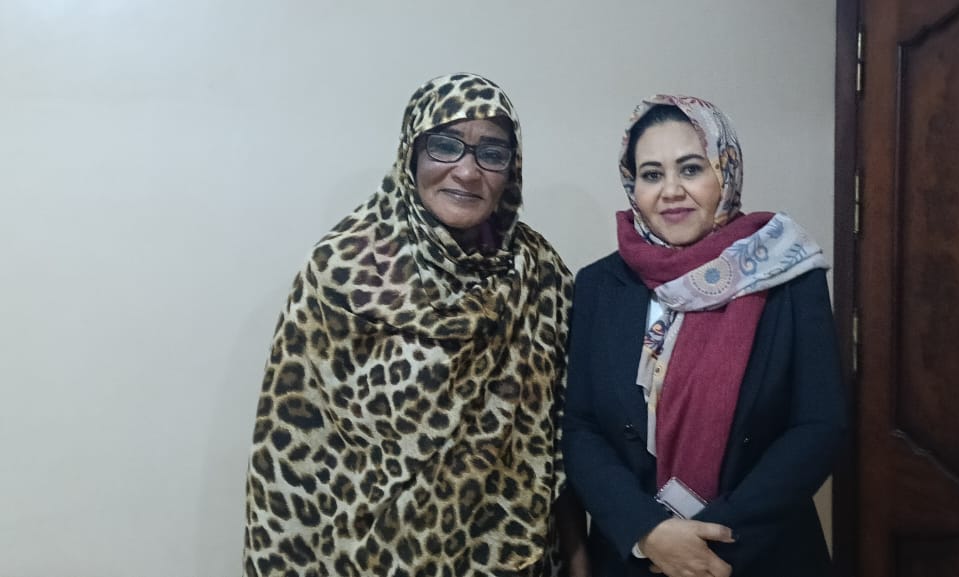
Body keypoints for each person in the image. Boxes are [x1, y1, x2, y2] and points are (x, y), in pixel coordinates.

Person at [242, 73, 588, 577]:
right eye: (445, 145)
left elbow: (561, 448)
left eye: (492, 153)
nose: (467, 172)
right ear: (412, 153)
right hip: (368, 562)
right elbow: (289, 458)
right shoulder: (341, 273)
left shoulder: (540, 274)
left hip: (513, 561)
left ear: (512, 169)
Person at [563, 95, 847, 577]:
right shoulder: (599, 286)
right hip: (637, 556)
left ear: (725, 172)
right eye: (652, 174)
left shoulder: (788, 274)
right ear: (633, 185)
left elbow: (819, 426)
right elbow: (581, 427)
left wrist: (709, 544)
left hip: (759, 555)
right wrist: (647, 531)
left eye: (691, 169)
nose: (671, 190)